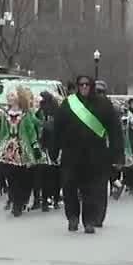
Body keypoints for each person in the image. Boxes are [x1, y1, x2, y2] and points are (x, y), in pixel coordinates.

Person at [50, 75, 122, 233]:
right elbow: (57, 129)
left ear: (92, 86)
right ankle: (73, 217)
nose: (84, 87)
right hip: (71, 153)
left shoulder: (103, 104)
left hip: (95, 154)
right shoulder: (68, 104)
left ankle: (89, 221)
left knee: (91, 189)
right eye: (81, 85)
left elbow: (115, 131)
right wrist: (54, 150)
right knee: (69, 187)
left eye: (87, 84)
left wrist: (117, 154)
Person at [0, 87, 41, 217]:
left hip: (22, 147)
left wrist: (35, 146)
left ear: (19, 97)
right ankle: (14, 198)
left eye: (13, 95)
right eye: (9, 95)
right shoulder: (5, 114)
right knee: (10, 175)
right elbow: (3, 132)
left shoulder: (26, 114)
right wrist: (0, 146)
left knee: (22, 176)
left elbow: (31, 131)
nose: (10, 97)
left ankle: (20, 201)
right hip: (9, 147)